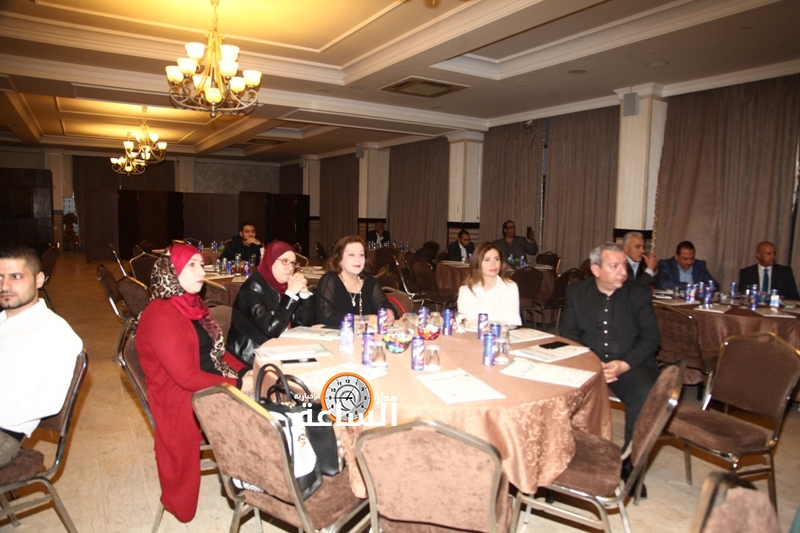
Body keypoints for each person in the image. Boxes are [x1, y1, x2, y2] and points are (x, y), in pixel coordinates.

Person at [136, 244, 254, 523]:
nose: (201, 271)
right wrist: (237, 385)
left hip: (209, 382)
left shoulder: (192, 305)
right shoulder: (162, 315)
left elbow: (217, 351)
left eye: (202, 264)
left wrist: (245, 371)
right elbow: (186, 377)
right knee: (267, 415)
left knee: (276, 391)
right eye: (191, 264)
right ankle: (255, 477)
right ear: (171, 271)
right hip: (182, 397)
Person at [560, 242, 660, 494]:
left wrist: (623, 364)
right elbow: (568, 334)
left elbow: (651, 337)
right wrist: (593, 362)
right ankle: (561, 457)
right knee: (553, 387)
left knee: (646, 392)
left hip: (630, 364)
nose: (623, 272)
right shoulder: (575, 292)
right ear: (596, 270)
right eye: (614, 266)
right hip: (587, 361)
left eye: (624, 265)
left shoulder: (639, 294)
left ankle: (631, 462)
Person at [0, 245, 83, 468]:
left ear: (38, 280)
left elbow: (49, 401)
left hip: (5, 432)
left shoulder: (54, 331)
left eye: (16, 277)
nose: (5, 286)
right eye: (0, 278)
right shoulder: (4, 322)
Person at [227, 240, 315, 364]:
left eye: (293, 263)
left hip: (281, 349)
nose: (290, 267)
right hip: (250, 358)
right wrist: (290, 295)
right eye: (285, 261)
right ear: (271, 260)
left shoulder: (286, 285)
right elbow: (272, 329)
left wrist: (304, 293)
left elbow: (304, 324)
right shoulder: (252, 288)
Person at [316, 235, 397, 327]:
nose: (358, 259)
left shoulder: (370, 281)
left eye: (361, 255)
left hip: (367, 334)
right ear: (338, 259)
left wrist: (389, 312)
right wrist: (361, 319)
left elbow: (382, 304)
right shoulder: (330, 280)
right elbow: (325, 314)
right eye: (351, 255)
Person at [456, 242, 521, 327]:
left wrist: (489, 326)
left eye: (497, 259)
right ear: (478, 263)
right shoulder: (466, 288)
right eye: (487, 260)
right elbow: (463, 320)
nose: (493, 264)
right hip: (473, 333)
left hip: (501, 333)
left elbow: (513, 322)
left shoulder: (510, 287)